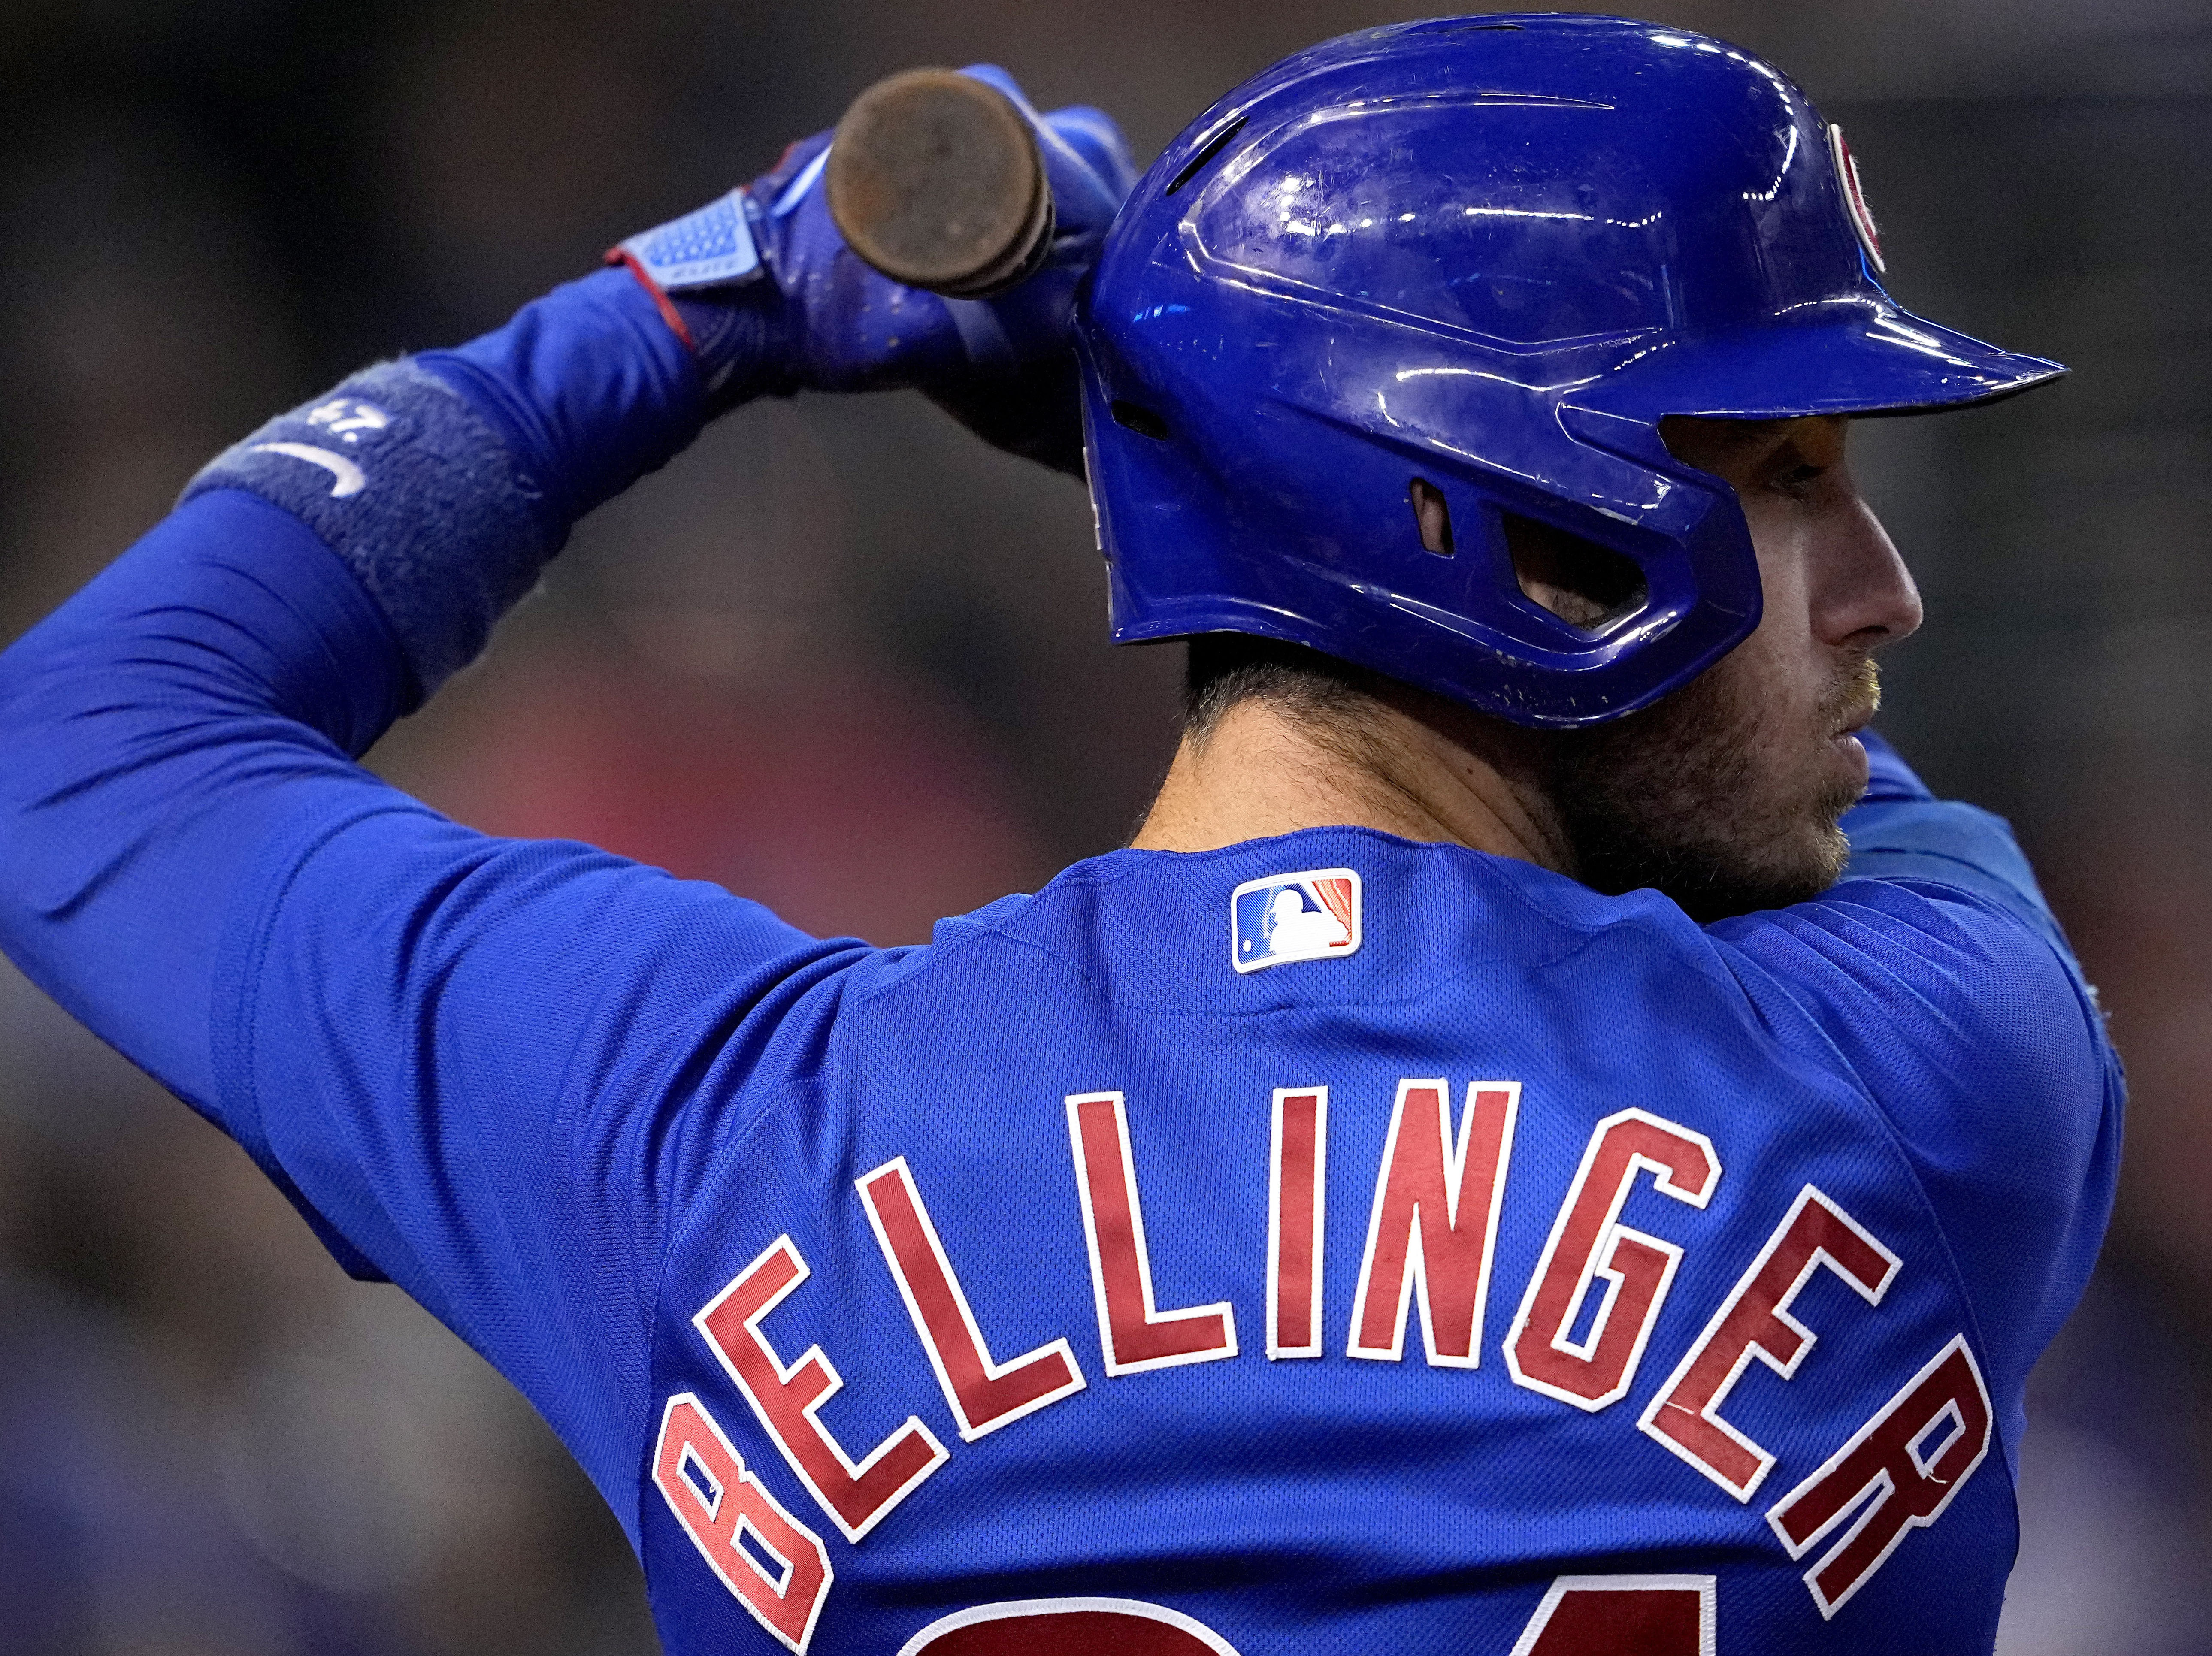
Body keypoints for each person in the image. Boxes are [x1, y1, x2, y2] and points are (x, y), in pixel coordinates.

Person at [0, 16, 2119, 1655]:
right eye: (1783, 475)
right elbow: (1820, 799)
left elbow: (86, 740)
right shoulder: (1927, 1080)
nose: (1878, 589)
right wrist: (1179, 447)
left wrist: (702, 304)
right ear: (1542, 545)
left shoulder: (719, 1129)